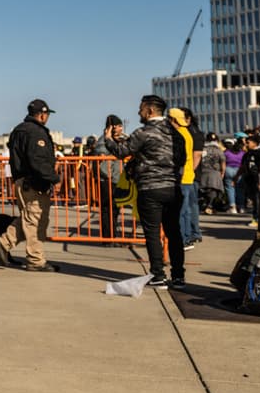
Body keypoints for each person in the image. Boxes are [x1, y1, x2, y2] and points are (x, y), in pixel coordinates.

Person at [100, 95, 186, 290]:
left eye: (141, 109)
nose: (139, 112)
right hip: (173, 188)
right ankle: (179, 276)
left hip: (150, 189)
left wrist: (107, 139)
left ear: (150, 111)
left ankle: (158, 275)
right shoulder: (176, 134)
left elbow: (122, 152)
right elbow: (182, 159)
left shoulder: (143, 133)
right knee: (174, 232)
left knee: (152, 233)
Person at [0, 99, 61, 272]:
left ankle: (4, 242)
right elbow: (37, 160)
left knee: (29, 219)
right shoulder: (35, 132)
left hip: (22, 181)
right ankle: (36, 261)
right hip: (35, 182)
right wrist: (54, 178)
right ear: (42, 114)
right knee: (35, 222)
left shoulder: (19, 130)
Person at [169, 108, 203, 249]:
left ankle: (183, 239)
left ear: (174, 120)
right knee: (186, 210)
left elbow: (182, 157)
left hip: (182, 177)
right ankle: (187, 237)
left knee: (181, 211)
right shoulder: (187, 133)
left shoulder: (179, 135)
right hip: (187, 176)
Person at [87, 114, 125, 239]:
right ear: (112, 127)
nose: (121, 129)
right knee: (107, 208)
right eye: (119, 126)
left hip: (116, 178)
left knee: (114, 208)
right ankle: (108, 236)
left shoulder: (118, 139)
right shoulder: (103, 141)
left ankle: (112, 234)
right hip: (107, 179)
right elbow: (102, 154)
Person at [197, 132, 226, 214]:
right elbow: (223, 161)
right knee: (214, 191)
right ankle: (209, 206)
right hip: (215, 172)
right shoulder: (218, 150)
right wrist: (223, 172)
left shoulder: (202, 149)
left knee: (204, 190)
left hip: (203, 171)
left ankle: (206, 205)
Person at [239, 134, 260, 228]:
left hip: (256, 179)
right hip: (248, 180)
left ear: (255, 143)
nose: (246, 145)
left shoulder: (259, 153)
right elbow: (242, 167)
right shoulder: (246, 154)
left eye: (248, 143)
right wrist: (236, 177)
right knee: (254, 199)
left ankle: (256, 218)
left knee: (257, 200)